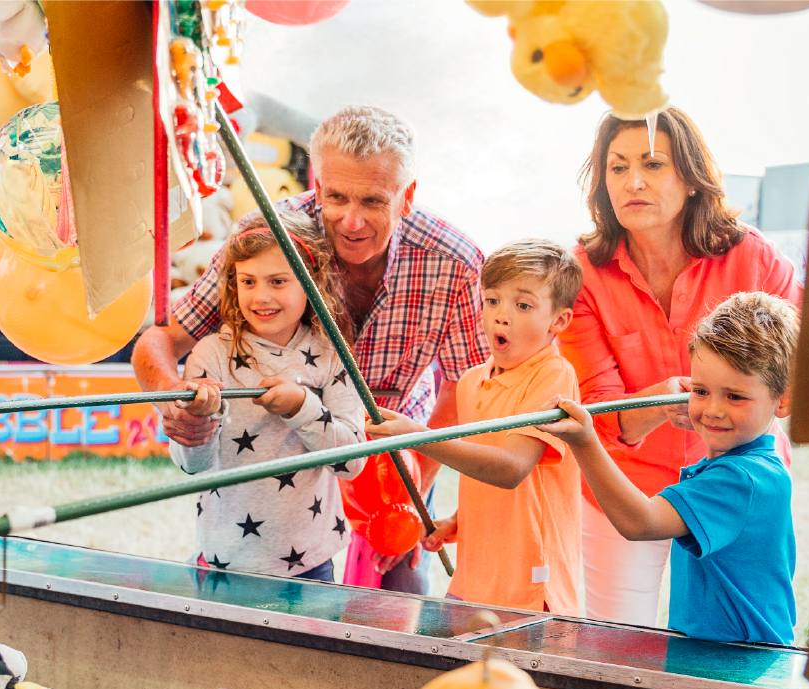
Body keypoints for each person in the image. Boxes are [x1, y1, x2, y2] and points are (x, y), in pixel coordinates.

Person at [135, 105, 487, 594]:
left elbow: (464, 388)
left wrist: (412, 496)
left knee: (398, 592)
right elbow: (160, 339)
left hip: (386, 449)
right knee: (257, 585)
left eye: (373, 200)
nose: (351, 219)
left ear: (407, 196)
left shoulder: (456, 261)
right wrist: (174, 399)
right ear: (316, 187)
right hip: (287, 452)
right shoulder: (267, 236)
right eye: (337, 196)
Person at [559, 106, 803, 626]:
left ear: (691, 178)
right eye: (618, 167)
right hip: (625, 488)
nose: (633, 182)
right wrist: (655, 404)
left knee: (733, 638)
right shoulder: (581, 272)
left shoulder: (754, 258)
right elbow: (599, 411)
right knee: (615, 647)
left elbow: (794, 373)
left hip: (736, 479)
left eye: (652, 164)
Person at [538, 293, 799, 645]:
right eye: (702, 391)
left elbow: (640, 522)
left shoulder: (742, 479)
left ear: (782, 400)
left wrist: (586, 442)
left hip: (738, 667)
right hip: (711, 658)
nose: (713, 410)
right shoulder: (736, 467)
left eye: (734, 397)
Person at [366, 240, 583, 614]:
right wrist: (456, 522)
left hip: (529, 587)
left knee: (512, 675)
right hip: (473, 577)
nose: (501, 315)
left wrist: (417, 435)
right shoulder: (471, 382)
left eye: (523, 305)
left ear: (559, 321)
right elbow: (481, 472)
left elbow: (511, 469)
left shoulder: (554, 376)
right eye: (492, 300)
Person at [168, 212, 367, 581]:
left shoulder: (331, 353)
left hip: (311, 564)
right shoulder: (210, 354)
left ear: (311, 283)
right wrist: (199, 421)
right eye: (248, 281)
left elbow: (352, 462)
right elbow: (191, 465)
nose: (261, 297)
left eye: (278, 281)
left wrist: (302, 407)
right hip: (224, 562)